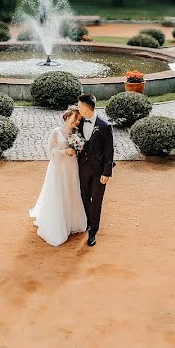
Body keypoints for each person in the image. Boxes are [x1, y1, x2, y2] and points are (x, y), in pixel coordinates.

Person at [28, 107, 87, 246]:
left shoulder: (77, 133)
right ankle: (57, 224)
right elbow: (50, 153)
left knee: (71, 191)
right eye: (75, 118)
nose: (77, 122)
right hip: (58, 168)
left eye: (79, 119)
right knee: (59, 192)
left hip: (71, 167)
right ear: (67, 117)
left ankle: (72, 222)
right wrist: (65, 151)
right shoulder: (56, 132)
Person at [75, 93, 115, 247]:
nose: (78, 109)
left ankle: (93, 231)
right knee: (84, 197)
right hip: (83, 170)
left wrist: (107, 172)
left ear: (85, 107)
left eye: (79, 106)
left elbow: (109, 151)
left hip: (99, 172)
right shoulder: (79, 123)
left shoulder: (105, 126)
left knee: (96, 200)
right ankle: (87, 222)